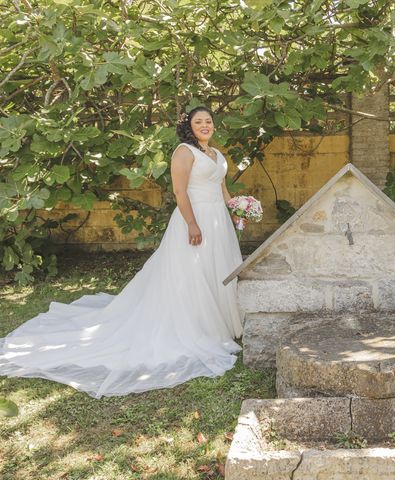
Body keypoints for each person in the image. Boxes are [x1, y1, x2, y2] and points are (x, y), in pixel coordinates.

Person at [0, 106, 244, 398]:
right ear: (188, 127)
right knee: (195, 275)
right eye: (198, 122)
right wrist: (192, 223)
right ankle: (201, 328)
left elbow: (223, 189)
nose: (205, 126)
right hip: (196, 220)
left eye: (208, 122)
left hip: (219, 222)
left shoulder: (217, 155)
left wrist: (239, 208)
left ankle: (221, 321)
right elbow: (180, 192)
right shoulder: (183, 152)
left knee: (218, 271)